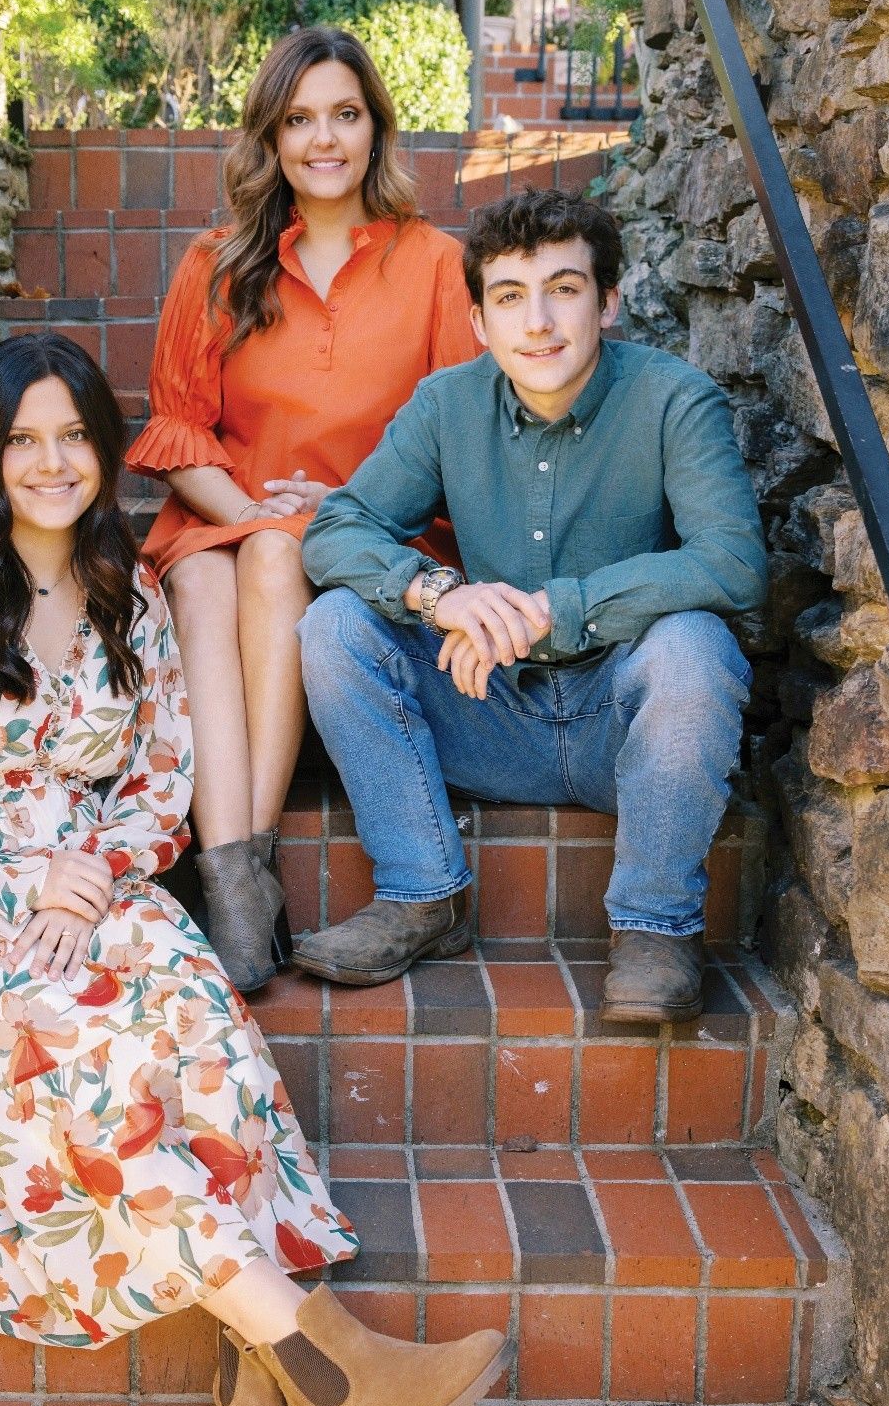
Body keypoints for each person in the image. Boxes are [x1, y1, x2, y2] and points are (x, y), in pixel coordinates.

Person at [0, 331, 506, 1406]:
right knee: (84, 1061)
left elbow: (162, 772)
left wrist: (99, 869)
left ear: (107, 452)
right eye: (23, 440)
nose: (52, 461)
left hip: (89, 885)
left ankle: (267, 1394)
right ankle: (324, 1358)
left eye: (74, 434)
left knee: (180, 1002)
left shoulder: (132, 590)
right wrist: (23, 892)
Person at [295, 189, 768, 1021]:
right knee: (335, 624)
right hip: (484, 709)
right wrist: (440, 594)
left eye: (566, 288)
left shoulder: (675, 399)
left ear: (609, 300)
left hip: (621, 727)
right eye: (510, 297)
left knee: (695, 644)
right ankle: (421, 895)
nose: (538, 320)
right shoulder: (447, 403)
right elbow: (336, 529)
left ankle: (657, 927)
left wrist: (558, 608)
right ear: (479, 322)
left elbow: (732, 563)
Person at [125, 24, 478, 993]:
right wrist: (248, 512)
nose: (324, 139)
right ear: (271, 138)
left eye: (345, 116)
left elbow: (462, 443)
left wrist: (343, 510)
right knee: (200, 573)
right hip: (220, 515)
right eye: (299, 119)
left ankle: (237, 860)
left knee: (276, 558)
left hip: (366, 535)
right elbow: (179, 432)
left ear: (376, 130)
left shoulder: (438, 265)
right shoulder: (217, 262)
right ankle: (238, 871)